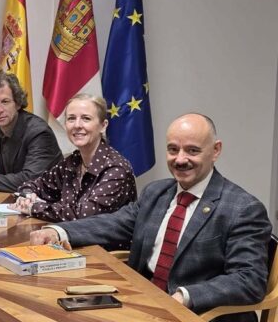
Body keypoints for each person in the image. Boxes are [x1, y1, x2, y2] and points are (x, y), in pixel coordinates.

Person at [30, 113, 272, 322]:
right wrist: (59, 231)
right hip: (140, 303)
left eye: (192, 150)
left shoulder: (243, 209)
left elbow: (248, 280)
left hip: (196, 314)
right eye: (173, 149)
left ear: (215, 150)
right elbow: (115, 223)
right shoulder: (157, 192)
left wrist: (185, 296)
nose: (180, 159)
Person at [9, 93, 137, 222]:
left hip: (101, 242)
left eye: (86, 118)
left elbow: (84, 216)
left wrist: (34, 207)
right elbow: (35, 184)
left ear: (103, 126)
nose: (77, 125)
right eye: (71, 118)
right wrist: (27, 195)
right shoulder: (73, 161)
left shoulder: (116, 169)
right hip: (67, 239)